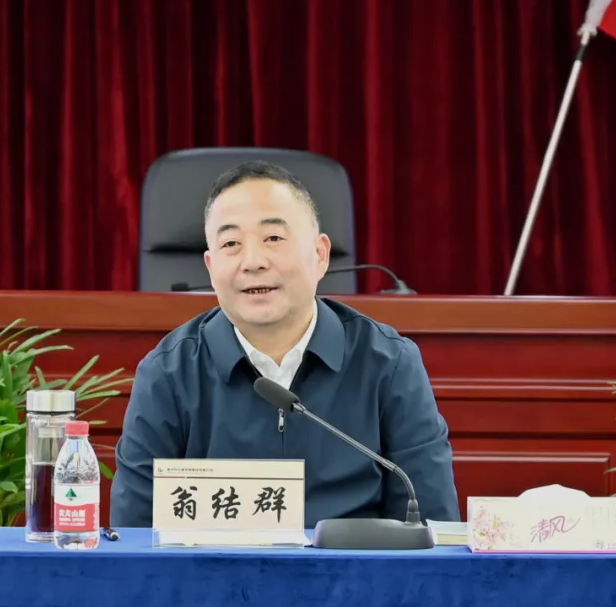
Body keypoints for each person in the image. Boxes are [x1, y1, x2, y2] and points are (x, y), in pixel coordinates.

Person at [109, 160, 460, 528]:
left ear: (320, 255)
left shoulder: (389, 363)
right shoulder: (168, 373)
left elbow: (431, 529)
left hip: (352, 567)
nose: (253, 262)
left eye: (273, 238)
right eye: (231, 244)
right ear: (211, 268)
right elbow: (133, 535)